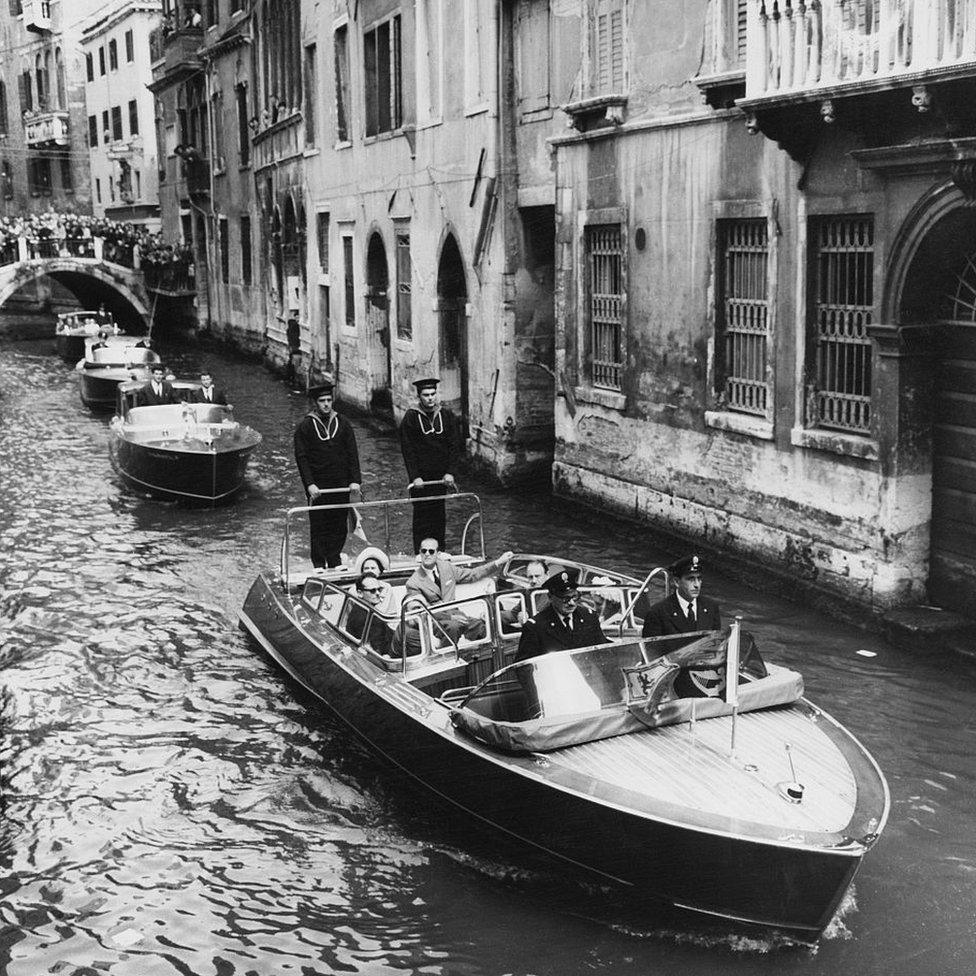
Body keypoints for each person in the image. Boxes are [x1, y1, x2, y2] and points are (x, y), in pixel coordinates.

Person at [294, 381, 361, 569]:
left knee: (339, 523)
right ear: (316, 402)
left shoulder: (343, 423)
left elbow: (352, 452)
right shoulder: (305, 426)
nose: (326, 404)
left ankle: (334, 558)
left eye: (329, 400)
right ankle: (318, 563)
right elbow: (302, 457)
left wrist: (355, 480)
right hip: (318, 486)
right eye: (322, 400)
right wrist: (309, 484)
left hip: (340, 483)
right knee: (319, 524)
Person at [406, 537, 514, 646]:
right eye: (424, 551)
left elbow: (473, 574)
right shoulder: (413, 582)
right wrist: (449, 618)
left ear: (438, 554)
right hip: (433, 620)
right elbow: (421, 611)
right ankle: (448, 658)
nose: (427, 554)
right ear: (420, 553)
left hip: (457, 615)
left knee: (483, 626)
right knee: (453, 627)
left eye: (431, 551)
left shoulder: (446, 568)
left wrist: (498, 562)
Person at [399, 377, 459, 553]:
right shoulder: (410, 418)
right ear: (419, 396)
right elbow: (407, 450)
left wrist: (451, 472)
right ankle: (420, 552)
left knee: (439, 516)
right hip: (421, 480)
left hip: (440, 479)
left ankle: (439, 551)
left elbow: (454, 446)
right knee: (422, 517)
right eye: (426, 395)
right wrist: (414, 476)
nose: (431, 398)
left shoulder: (446, 416)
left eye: (433, 394)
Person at [514, 568, 610, 663]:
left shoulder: (589, 617)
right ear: (551, 597)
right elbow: (524, 667)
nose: (571, 603)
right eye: (565, 598)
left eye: (575, 597)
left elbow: (603, 652)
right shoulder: (535, 627)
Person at [641, 554, 722, 638]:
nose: (697, 585)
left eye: (699, 579)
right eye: (691, 579)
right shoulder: (658, 613)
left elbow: (716, 643)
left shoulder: (711, 607)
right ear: (677, 582)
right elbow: (651, 649)